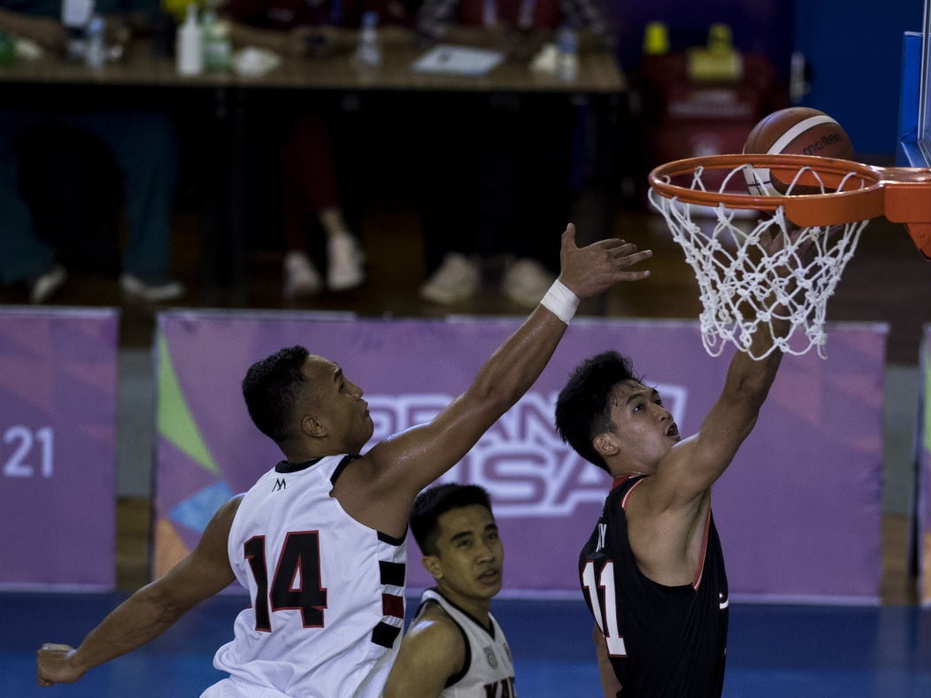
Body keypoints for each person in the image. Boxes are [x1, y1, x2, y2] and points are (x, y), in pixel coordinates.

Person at [35, 223, 651, 695]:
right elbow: (490, 396)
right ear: (313, 424)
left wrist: (78, 661)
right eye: (340, 385)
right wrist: (566, 291)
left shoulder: (236, 514)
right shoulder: (372, 482)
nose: (357, 390)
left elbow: (161, 601)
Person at [554, 261, 791, 696]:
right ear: (606, 444)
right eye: (639, 408)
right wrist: (780, 279)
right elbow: (742, 398)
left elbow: (603, 643)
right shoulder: (661, 495)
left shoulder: (597, 545)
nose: (662, 411)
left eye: (656, 399)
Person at [415, 0, 614, 308]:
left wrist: (546, 38)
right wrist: (482, 38)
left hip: (541, 87)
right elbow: (426, 29)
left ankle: (531, 258)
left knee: (548, 137)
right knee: (447, 140)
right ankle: (455, 257)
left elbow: (601, 32)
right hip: (464, 86)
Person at [221, 0, 415, 297]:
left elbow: (405, 33)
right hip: (271, 96)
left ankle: (299, 256)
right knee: (298, 126)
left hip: (350, 98)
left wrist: (345, 40)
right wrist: (281, 42)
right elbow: (222, 24)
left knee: (303, 134)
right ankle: (336, 236)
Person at [0, 0, 185, 303]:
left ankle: (146, 267)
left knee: (154, 133)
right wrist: (26, 26)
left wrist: (122, 23)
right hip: (18, 89)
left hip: (100, 90)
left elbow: (150, 15)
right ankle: (27, 263)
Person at [384, 483, 515, 697]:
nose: (486, 554)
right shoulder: (436, 638)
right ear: (434, 565)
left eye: (490, 536)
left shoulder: (481, 618)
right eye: (465, 543)